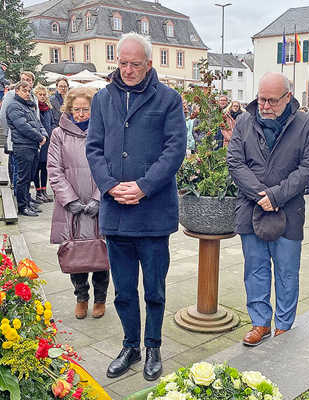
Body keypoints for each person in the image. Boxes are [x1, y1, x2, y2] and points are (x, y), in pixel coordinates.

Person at [86, 32, 186, 381]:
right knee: (124, 289)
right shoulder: (102, 99)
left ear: (149, 63)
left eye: (135, 64)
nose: (127, 70)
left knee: (154, 288)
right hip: (116, 213)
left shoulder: (169, 99)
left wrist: (144, 187)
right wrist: (110, 185)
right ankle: (130, 345)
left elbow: (174, 150)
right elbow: (94, 149)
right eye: (122, 63)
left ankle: (154, 346)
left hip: (153, 214)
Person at [227, 72, 309, 346]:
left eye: (272, 101)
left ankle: (283, 324)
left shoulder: (305, 124)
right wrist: (259, 195)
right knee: (255, 268)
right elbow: (235, 161)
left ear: (288, 97)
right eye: (261, 98)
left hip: (288, 210)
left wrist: (276, 196)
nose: (265, 106)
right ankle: (259, 323)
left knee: (287, 270)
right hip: (250, 208)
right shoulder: (244, 121)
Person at [47, 87, 109, 320]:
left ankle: (100, 299)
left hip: (98, 203)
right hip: (71, 206)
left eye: (86, 109)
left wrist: (98, 198)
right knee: (76, 255)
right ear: (69, 109)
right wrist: (69, 199)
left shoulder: (104, 132)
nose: (81, 114)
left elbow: (110, 167)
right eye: (77, 109)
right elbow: (54, 169)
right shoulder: (58, 134)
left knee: (101, 253)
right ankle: (81, 297)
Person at [6, 81, 47, 217]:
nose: (27, 93)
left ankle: (27, 203)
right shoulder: (14, 106)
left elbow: (38, 123)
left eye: (29, 91)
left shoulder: (28, 106)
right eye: (24, 90)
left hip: (32, 146)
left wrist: (44, 135)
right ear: (17, 91)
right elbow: (23, 127)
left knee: (29, 176)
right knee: (23, 178)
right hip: (23, 146)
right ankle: (22, 206)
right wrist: (39, 137)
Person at [0, 71, 39, 200]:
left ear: (33, 82)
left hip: (31, 140)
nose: (26, 81)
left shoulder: (33, 97)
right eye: (23, 79)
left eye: (29, 80)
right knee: (19, 172)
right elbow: (2, 117)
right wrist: (9, 133)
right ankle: (19, 199)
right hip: (18, 140)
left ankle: (26, 197)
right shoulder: (11, 95)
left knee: (28, 173)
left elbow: (36, 119)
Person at [33, 84, 56, 203]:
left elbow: (52, 122)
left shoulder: (48, 108)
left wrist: (51, 133)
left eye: (43, 95)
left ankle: (44, 190)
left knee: (45, 167)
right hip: (38, 141)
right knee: (37, 167)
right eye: (39, 94)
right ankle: (38, 192)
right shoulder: (33, 108)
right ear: (35, 95)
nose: (42, 96)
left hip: (48, 142)